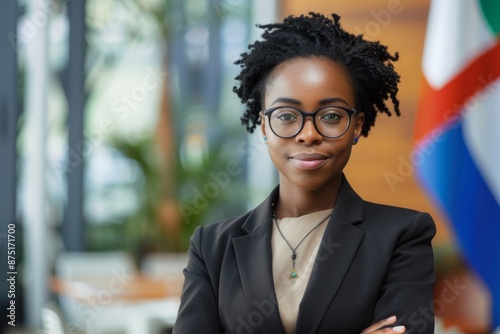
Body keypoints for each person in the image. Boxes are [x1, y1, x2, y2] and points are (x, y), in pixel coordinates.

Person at [173, 12, 435, 334]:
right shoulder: (212, 247)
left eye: (330, 115)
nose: (308, 134)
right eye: (286, 115)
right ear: (263, 125)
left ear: (357, 125)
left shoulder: (402, 236)